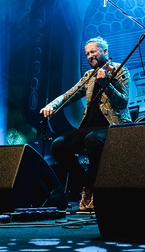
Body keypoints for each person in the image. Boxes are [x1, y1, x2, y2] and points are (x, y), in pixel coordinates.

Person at [40, 36, 131, 212]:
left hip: (114, 127)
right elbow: (69, 95)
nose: (89, 56)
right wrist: (51, 105)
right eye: (87, 53)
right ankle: (84, 183)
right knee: (58, 145)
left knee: (92, 140)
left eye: (93, 52)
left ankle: (93, 187)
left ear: (105, 52)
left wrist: (106, 84)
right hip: (89, 128)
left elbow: (123, 103)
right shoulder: (89, 76)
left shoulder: (119, 70)